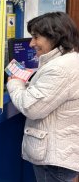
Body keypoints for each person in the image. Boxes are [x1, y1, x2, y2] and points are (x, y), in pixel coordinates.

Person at [6, 12, 79, 182]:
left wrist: (15, 83)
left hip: (55, 160)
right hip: (61, 154)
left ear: (54, 37)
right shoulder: (69, 60)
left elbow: (31, 108)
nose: (31, 43)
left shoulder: (60, 68)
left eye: (35, 37)